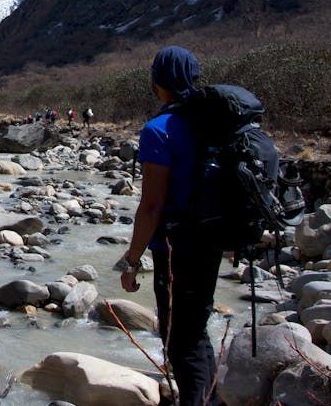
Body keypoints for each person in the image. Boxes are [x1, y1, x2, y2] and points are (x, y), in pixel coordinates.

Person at [119, 46, 221, 406]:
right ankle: (209, 398)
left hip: (177, 247)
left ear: (156, 81)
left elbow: (151, 206)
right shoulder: (210, 123)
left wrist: (132, 260)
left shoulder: (158, 130)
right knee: (196, 331)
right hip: (211, 240)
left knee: (180, 342)